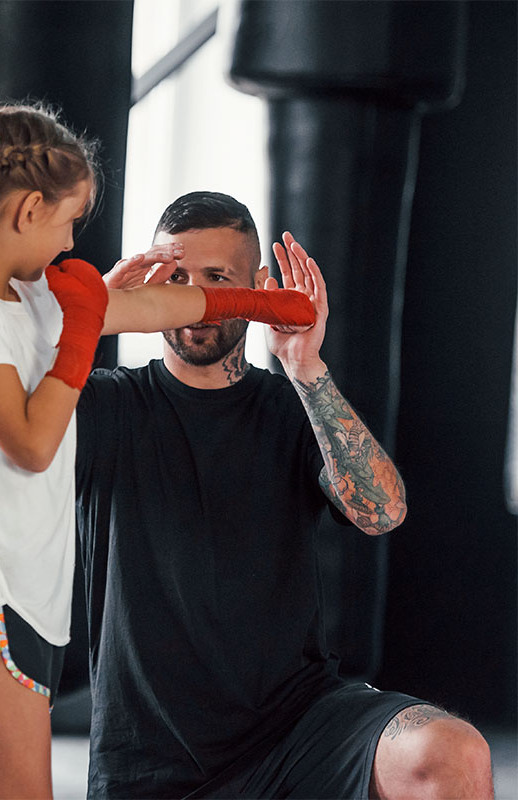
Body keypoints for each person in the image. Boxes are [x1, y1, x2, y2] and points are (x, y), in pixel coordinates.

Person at [0, 107, 313, 800]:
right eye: (69, 221)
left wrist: (267, 307)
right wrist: (82, 336)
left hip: (13, 593)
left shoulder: (26, 296)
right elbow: (31, 444)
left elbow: (156, 311)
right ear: (30, 210)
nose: (70, 241)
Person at [75, 191, 493, 798]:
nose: (198, 298)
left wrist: (306, 367)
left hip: (298, 730)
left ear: (257, 288)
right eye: (179, 278)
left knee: (453, 751)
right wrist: (91, 316)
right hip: (151, 760)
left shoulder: (291, 407)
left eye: (218, 279)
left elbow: (383, 512)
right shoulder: (105, 403)